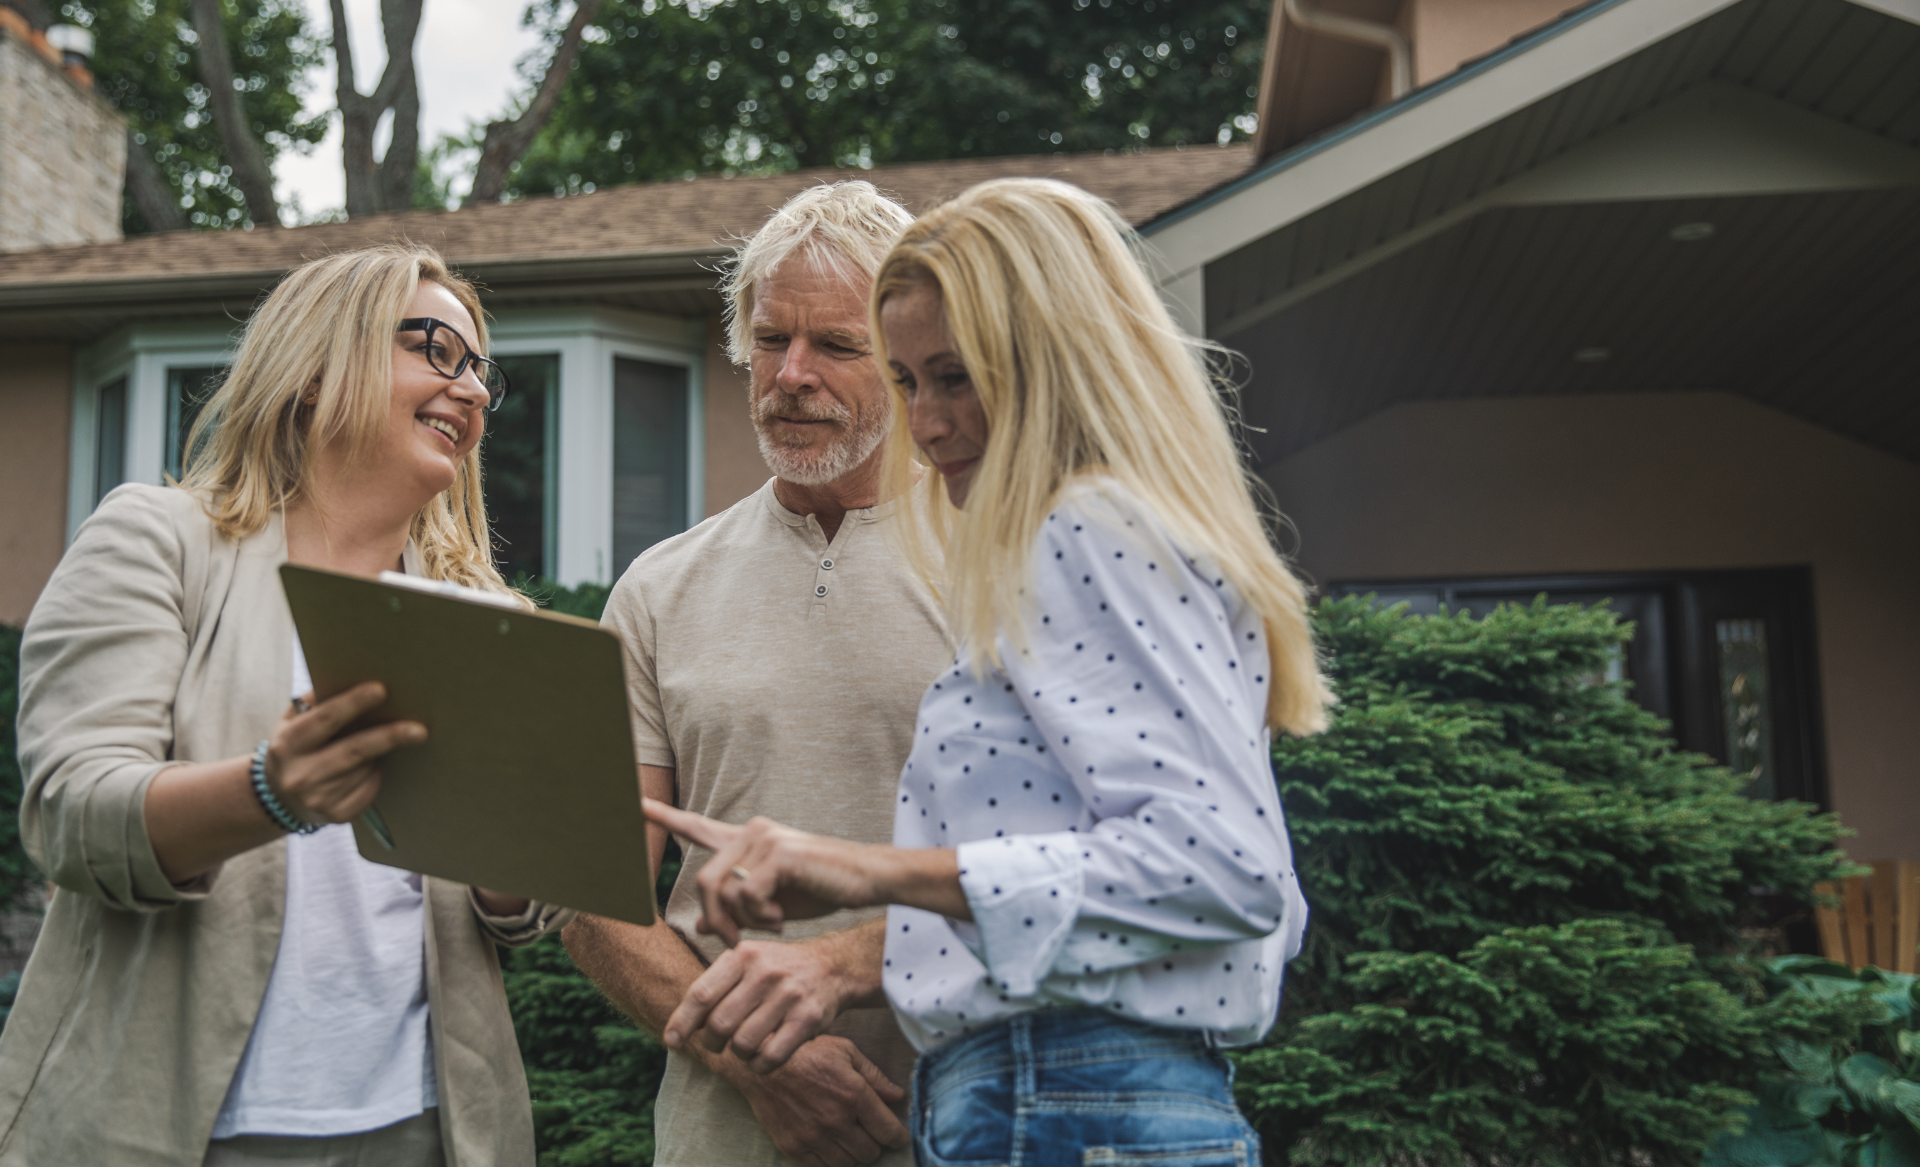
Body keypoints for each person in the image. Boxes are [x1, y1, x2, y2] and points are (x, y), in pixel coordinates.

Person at [647, 176, 1331, 1164]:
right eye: (910, 378)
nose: (926, 422)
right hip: (1082, 1094)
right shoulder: (1102, 534)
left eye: (955, 375)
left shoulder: (1087, 528)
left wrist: (857, 868)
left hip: (1064, 1096)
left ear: (1054, 357)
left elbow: (1225, 867)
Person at [4, 245, 569, 1166]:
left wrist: (519, 849)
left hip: (428, 1129)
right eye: (433, 347)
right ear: (312, 371)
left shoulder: (487, 620)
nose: (467, 389)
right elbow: (72, 817)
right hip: (177, 1127)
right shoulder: (159, 541)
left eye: (477, 369)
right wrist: (274, 792)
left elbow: (521, 910)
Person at [564, 181, 949, 1167]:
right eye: (771, 339)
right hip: (722, 1132)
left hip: (965, 1113)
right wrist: (763, 1060)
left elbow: (1066, 866)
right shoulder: (657, 589)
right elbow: (594, 893)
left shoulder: (1006, 560)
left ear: (906, 360)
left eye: (837, 345)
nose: (792, 375)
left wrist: (846, 966)